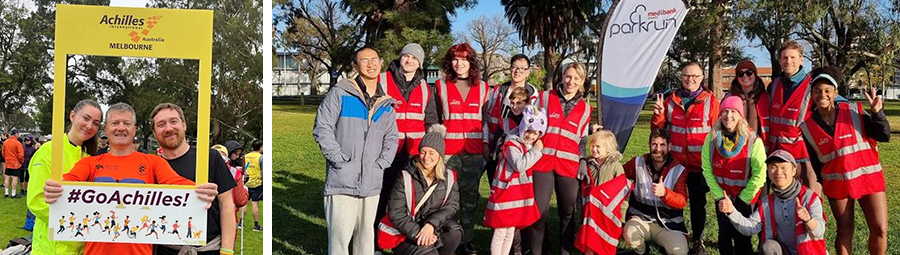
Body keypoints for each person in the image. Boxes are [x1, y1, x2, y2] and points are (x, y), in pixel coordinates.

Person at [41, 102, 220, 255]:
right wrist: (53, 189)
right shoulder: (90, 163)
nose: (121, 128)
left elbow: (179, 186)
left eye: (127, 123)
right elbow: (65, 185)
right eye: (115, 123)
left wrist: (200, 190)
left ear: (134, 129)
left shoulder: (153, 162)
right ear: (106, 129)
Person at [313, 45, 399, 255]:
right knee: (340, 238)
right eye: (364, 60)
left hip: (372, 182)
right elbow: (322, 128)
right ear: (355, 65)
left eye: (374, 60)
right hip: (342, 180)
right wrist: (338, 160)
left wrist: (381, 163)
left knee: (365, 236)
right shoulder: (340, 93)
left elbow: (392, 137)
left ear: (381, 63)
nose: (370, 64)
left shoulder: (386, 103)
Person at [800, 67, 889, 255]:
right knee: (845, 230)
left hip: (869, 179)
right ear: (812, 94)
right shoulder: (807, 127)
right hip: (837, 185)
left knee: (880, 229)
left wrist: (877, 113)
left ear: (835, 92)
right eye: (817, 91)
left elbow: (884, 135)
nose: (822, 95)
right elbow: (817, 164)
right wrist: (826, 183)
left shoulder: (854, 111)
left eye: (827, 90)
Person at [150, 103, 238, 255]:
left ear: (184, 125)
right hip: (166, 250)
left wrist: (227, 250)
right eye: (161, 124)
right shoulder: (151, 166)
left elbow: (227, 205)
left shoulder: (210, 158)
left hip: (209, 249)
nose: (169, 128)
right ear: (154, 131)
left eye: (173, 121)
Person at [525, 62, 593, 255]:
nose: (571, 81)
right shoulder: (545, 97)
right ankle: (538, 251)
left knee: (567, 214)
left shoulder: (586, 109)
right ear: (563, 77)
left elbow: (583, 138)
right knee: (538, 213)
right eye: (568, 76)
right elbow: (530, 123)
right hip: (542, 162)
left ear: (582, 82)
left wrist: (582, 160)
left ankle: (565, 251)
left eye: (576, 78)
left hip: (569, 166)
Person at [651, 61, 719, 254]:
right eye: (686, 76)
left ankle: (698, 240)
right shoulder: (670, 99)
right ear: (681, 77)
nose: (690, 79)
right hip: (676, 164)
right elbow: (659, 131)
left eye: (694, 76)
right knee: (672, 202)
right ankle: (672, 235)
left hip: (700, 166)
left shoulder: (711, 101)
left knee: (698, 205)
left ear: (702, 78)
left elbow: (717, 133)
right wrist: (657, 116)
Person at [376, 43, 439, 248]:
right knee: (381, 196)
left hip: (413, 154)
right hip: (384, 150)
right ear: (400, 57)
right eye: (406, 56)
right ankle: (375, 243)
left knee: (405, 200)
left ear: (419, 63)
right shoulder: (382, 80)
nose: (409, 60)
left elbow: (431, 122)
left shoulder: (426, 88)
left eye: (415, 58)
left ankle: (401, 242)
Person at [433, 42, 489, 255]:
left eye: (464, 59)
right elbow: (436, 119)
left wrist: (485, 146)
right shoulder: (440, 86)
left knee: (470, 198)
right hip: (448, 152)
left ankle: (466, 239)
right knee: (446, 196)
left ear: (471, 62)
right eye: (455, 59)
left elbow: (485, 121)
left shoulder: (483, 88)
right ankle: (448, 237)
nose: (459, 63)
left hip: (474, 152)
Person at [27, 99, 103, 255]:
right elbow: (36, 201)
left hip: (81, 247)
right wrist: (77, 221)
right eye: (86, 118)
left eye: (96, 123)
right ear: (73, 116)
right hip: (50, 247)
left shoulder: (90, 158)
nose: (89, 126)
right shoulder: (49, 151)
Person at [718, 150, 827, 255]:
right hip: (783, 251)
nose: (778, 172)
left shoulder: (809, 197)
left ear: (794, 171)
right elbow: (750, 227)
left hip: (809, 252)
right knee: (768, 247)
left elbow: (819, 232)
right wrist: (731, 211)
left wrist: (808, 220)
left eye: (784, 167)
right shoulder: (767, 203)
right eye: (773, 167)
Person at [702, 96, 767, 255]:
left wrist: (743, 198)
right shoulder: (711, 139)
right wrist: (719, 196)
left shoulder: (753, 140)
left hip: (744, 198)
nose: (728, 116)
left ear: (740, 115)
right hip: (723, 197)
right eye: (725, 111)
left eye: (733, 111)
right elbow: (707, 169)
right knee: (724, 234)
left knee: (742, 236)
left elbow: (760, 174)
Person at [385, 125, 461, 255]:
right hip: (406, 232)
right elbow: (396, 213)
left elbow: (452, 205)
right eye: (423, 152)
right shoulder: (405, 177)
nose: (426, 157)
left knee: (455, 231)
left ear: (440, 156)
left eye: (432, 153)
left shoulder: (449, 177)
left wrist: (431, 225)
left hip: (431, 228)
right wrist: (419, 233)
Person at [484, 105, 545, 255]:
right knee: (500, 231)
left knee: (510, 230)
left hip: (516, 194)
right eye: (528, 132)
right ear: (523, 128)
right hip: (506, 194)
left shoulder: (525, 145)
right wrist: (536, 151)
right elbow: (520, 165)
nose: (531, 136)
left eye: (535, 133)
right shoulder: (512, 144)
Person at [620, 129, 689, 255]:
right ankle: (641, 251)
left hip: (668, 225)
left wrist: (665, 194)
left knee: (680, 251)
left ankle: (663, 245)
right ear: (649, 145)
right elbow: (619, 175)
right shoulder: (637, 162)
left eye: (662, 145)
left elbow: (682, 201)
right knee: (630, 234)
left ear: (669, 146)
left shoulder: (678, 169)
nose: (657, 149)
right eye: (654, 145)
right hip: (641, 219)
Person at [766, 40, 821, 198]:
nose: (788, 61)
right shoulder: (774, 85)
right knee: (781, 202)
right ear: (780, 61)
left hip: (802, 155)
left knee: (807, 200)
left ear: (801, 59)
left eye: (792, 57)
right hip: (775, 153)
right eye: (784, 58)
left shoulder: (813, 86)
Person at [484, 54, 539, 185]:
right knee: (495, 183)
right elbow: (487, 115)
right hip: (496, 145)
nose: (517, 71)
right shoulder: (499, 90)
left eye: (522, 68)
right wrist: (486, 142)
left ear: (528, 72)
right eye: (514, 67)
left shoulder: (533, 94)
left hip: (519, 149)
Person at [574, 130, 626, 255]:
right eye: (592, 145)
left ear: (608, 149)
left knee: (604, 240)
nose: (594, 149)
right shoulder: (587, 164)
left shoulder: (616, 167)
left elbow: (622, 193)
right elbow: (581, 190)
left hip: (607, 212)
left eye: (598, 146)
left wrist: (622, 217)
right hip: (591, 210)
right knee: (590, 238)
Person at [243, 140, 263, 231]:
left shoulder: (245, 156)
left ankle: (241, 223)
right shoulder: (261, 157)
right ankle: (256, 225)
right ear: (260, 148)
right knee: (255, 203)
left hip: (246, 183)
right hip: (256, 183)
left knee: (245, 202)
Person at [3, 128, 24, 198]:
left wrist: (6, 158)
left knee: (7, 177)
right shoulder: (17, 143)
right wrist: (21, 161)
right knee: (15, 178)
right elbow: (20, 154)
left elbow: (3, 153)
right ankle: (13, 194)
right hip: (16, 163)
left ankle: (6, 192)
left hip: (8, 162)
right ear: (15, 134)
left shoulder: (5, 142)